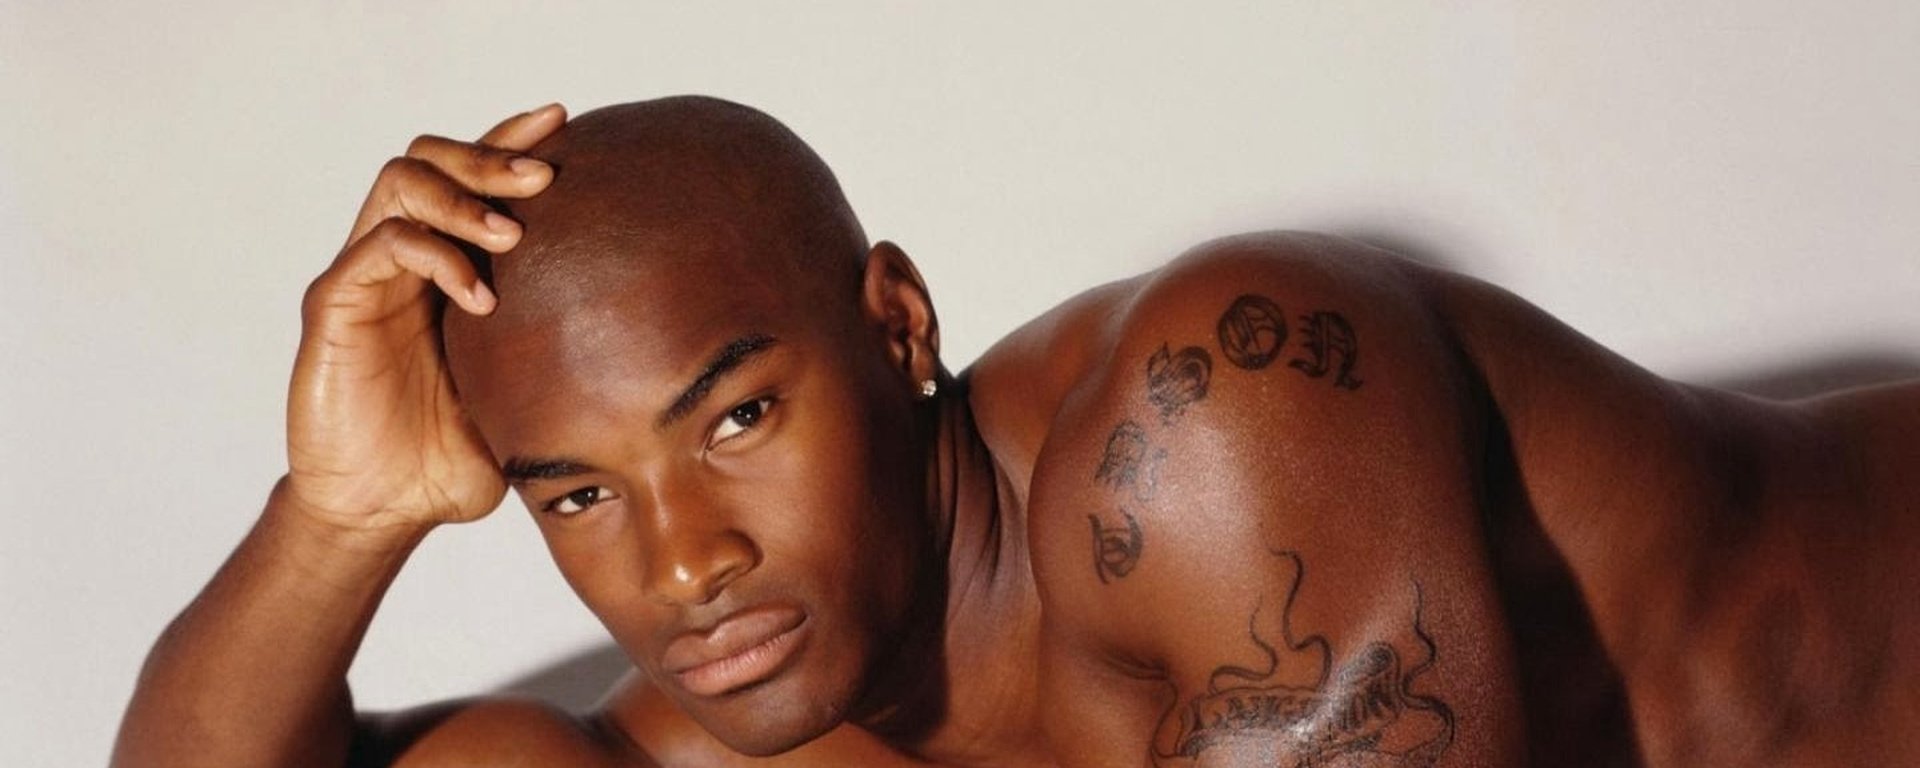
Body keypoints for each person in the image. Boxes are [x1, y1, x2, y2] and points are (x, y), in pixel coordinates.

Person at [113, 97, 1919, 768]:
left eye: (737, 416)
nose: (682, 563)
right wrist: (340, 515)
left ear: (898, 326)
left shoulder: (1216, 421)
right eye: (576, 495)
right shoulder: (722, 739)